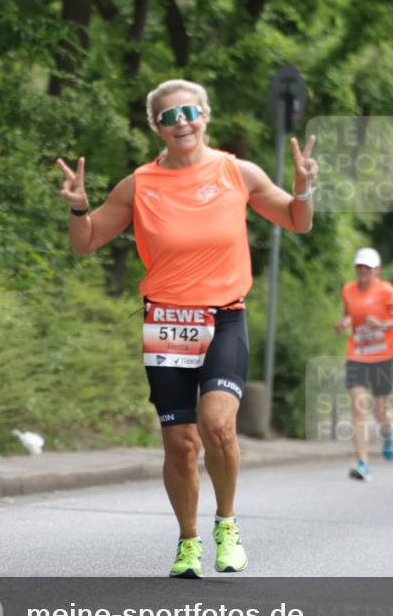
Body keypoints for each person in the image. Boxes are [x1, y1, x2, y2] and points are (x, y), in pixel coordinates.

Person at [57, 79, 318, 578]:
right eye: (169, 116)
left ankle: (226, 523)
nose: (181, 123)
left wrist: (304, 186)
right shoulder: (138, 184)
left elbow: (296, 220)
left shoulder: (236, 172)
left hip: (223, 316)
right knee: (181, 444)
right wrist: (77, 207)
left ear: (206, 116)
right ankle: (189, 541)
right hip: (167, 322)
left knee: (217, 424)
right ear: (155, 126)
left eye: (189, 112)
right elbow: (84, 243)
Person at [334, 247, 393, 481]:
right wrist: (343, 323)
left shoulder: (387, 290)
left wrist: (383, 325)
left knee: (379, 411)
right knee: (359, 408)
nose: (363, 271)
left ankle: (389, 432)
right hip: (358, 354)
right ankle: (362, 463)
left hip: (383, 354)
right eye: (359, 266)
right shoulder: (348, 290)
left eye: (368, 267)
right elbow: (352, 315)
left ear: (377, 270)